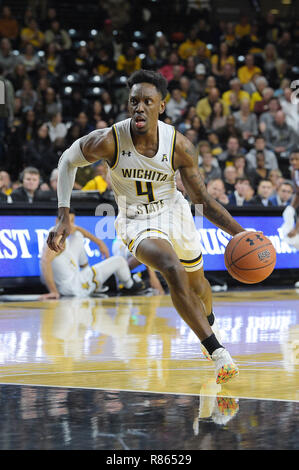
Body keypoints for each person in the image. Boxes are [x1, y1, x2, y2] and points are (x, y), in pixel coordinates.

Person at [47, 69, 248, 385]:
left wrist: (242, 234)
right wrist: (62, 214)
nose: (139, 107)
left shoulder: (180, 146)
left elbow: (204, 202)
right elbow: (67, 161)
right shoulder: (109, 140)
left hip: (175, 213)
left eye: (147, 101)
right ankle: (217, 352)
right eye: (134, 101)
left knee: (199, 288)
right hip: (135, 220)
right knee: (170, 266)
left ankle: (206, 325)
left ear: (162, 106)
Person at [41, 210, 143, 299]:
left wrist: (100, 243)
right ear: (57, 221)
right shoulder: (56, 237)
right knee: (119, 260)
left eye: (72, 221)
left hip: (74, 282)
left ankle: (95, 284)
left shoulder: (64, 235)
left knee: (78, 235)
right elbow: (45, 261)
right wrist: (53, 291)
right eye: (67, 221)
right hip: (72, 287)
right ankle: (129, 285)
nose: (71, 225)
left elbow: (76, 229)